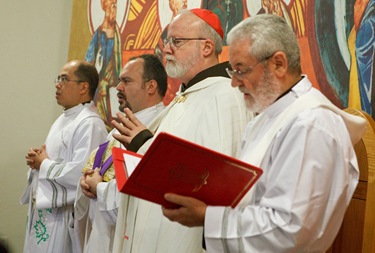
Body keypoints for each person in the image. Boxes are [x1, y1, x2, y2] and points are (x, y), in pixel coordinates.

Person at [161, 14, 367, 252]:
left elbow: (290, 230)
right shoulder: (271, 115)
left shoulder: (311, 124)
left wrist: (208, 217)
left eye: (241, 70)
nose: (234, 83)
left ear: (278, 64)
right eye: (232, 71)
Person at [110, 8, 250, 253]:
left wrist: (144, 143)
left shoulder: (226, 96)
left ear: (206, 47)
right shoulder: (184, 97)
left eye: (177, 41)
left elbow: (215, 181)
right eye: (167, 41)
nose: (167, 49)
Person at [75, 54, 167, 253]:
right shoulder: (120, 127)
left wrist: (99, 188)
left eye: (126, 81)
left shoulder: (160, 130)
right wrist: (86, 183)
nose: (118, 87)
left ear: (151, 86)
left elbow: (143, 198)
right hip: (101, 231)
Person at [20, 60, 108, 253]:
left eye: (64, 79)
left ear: (84, 87)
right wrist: (37, 163)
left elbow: (81, 173)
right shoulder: (64, 118)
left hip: (64, 218)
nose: (57, 84)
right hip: (46, 214)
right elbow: (54, 160)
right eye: (58, 78)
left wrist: (43, 165)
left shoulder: (90, 124)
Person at [85, 0, 122, 129]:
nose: (115, 10)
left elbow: (118, 64)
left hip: (113, 89)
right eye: (112, 6)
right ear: (105, 8)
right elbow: (89, 65)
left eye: (116, 6)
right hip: (100, 91)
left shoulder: (117, 32)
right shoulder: (99, 34)